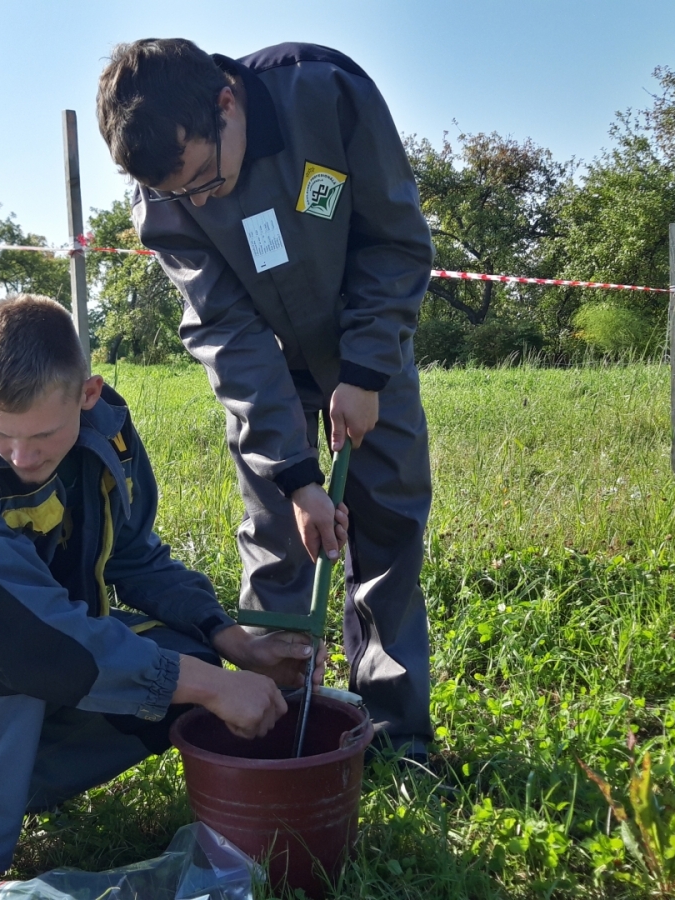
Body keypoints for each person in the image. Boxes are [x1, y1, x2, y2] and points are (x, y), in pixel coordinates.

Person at [0, 294, 334, 890]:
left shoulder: (106, 435)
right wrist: (214, 689)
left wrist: (232, 645)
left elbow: (135, 557)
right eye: (1, 433)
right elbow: (22, 627)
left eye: (44, 435)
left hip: (48, 637)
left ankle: (17, 778)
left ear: (88, 394)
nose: (22, 457)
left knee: (192, 657)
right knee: (7, 646)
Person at [96, 39, 435, 761]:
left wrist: (368, 371)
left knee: (388, 532)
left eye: (202, 179)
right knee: (278, 537)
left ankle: (396, 732)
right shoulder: (164, 191)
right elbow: (225, 328)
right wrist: (297, 476)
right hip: (267, 368)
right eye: (176, 195)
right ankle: (279, 723)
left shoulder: (326, 95)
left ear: (227, 101)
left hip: (365, 344)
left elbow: (394, 239)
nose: (197, 201)